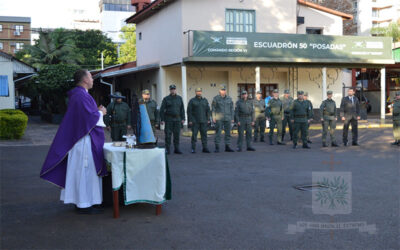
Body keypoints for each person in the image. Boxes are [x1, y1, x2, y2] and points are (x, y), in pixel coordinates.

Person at [40, 69, 108, 214]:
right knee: (85, 173)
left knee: (83, 172)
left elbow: (85, 115)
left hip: (82, 140)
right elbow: (88, 119)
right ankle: (84, 204)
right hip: (83, 141)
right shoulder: (80, 96)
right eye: (91, 77)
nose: (93, 79)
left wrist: (96, 112)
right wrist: (100, 113)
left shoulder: (81, 95)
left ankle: (85, 202)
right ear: (84, 80)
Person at [160, 84, 185, 154]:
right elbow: (162, 110)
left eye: (174, 89)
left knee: (177, 135)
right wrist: (162, 119)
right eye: (171, 89)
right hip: (168, 119)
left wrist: (183, 118)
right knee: (168, 135)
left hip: (177, 119)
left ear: (175, 90)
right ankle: (167, 149)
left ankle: (176, 149)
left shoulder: (179, 98)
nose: (173, 90)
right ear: (170, 90)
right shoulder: (166, 99)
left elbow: (182, 109)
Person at [212, 84, 235, 153]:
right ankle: (217, 147)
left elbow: (231, 109)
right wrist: (214, 117)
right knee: (218, 133)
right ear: (219, 91)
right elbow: (213, 108)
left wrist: (232, 117)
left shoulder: (229, 98)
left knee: (228, 133)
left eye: (224, 90)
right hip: (219, 118)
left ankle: (227, 147)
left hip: (228, 117)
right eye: (222, 90)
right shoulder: (216, 98)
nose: (223, 91)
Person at [187, 87, 211, 153]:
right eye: (197, 91)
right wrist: (191, 120)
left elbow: (208, 110)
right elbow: (189, 111)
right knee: (194, 135)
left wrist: (208, 119)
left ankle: (205, 148)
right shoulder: (192, 101)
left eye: (200, 91)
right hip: (195, 121)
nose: (199, 92)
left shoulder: (205, 100)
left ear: (201, 92)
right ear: (195, 92)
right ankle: (193, 148)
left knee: (204, 135)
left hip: (203, 121)